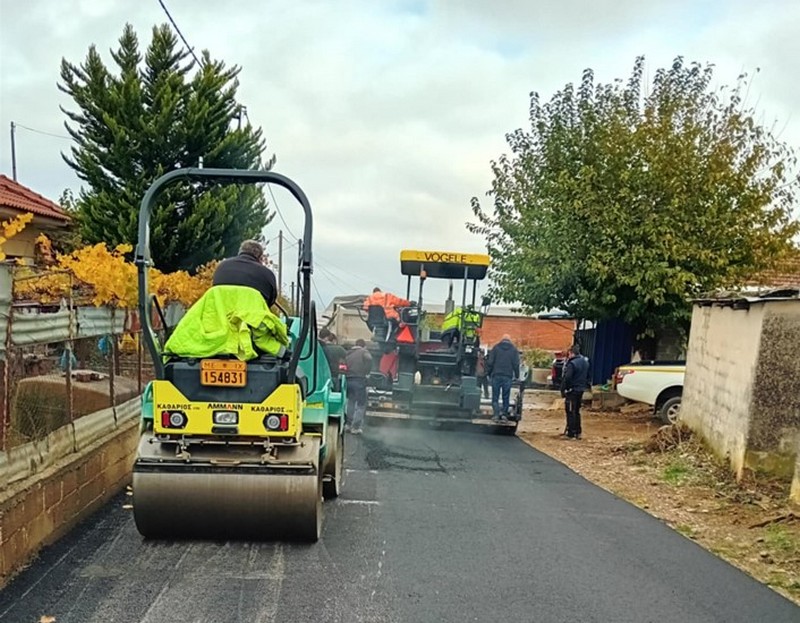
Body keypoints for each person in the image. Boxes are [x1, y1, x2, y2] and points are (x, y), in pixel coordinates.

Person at [212, 239, 278, 307]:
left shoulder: (221, 267)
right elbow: (270, 301)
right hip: (252, 315)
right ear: (260, 257)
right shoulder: (267, 274)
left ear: (240, 252)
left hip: (220, 314)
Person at [560, 344, 591, 440]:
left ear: (571, 353)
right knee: (577, 411)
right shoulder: (585, 362)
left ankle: (571, 432)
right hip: (581, 390)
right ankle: (578, 432)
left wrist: (566, 388)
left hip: (572, 390)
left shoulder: (572, 363)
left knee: (570, 411)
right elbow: (588, 376)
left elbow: (567, 378)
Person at [486, 334, 520, 421]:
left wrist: (488, 373)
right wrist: (517, 376)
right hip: (507, 376)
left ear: (501, 340)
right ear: (510, 340)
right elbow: (516, 364)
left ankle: (496, 414)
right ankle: (504, 414)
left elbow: (490, 362)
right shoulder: (513, 350)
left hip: (496, 375)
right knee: (506, 396)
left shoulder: (496, 348)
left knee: (495, 396)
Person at [345, 338, 373, 435]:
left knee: (350, 402)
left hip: (348, 379)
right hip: (359, 380)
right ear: (364, 346)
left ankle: (348, 424)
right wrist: (367, 372)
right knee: (361, 404)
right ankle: (355, 427)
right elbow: (369, 359)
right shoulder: (363, 352)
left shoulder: (348, 353)